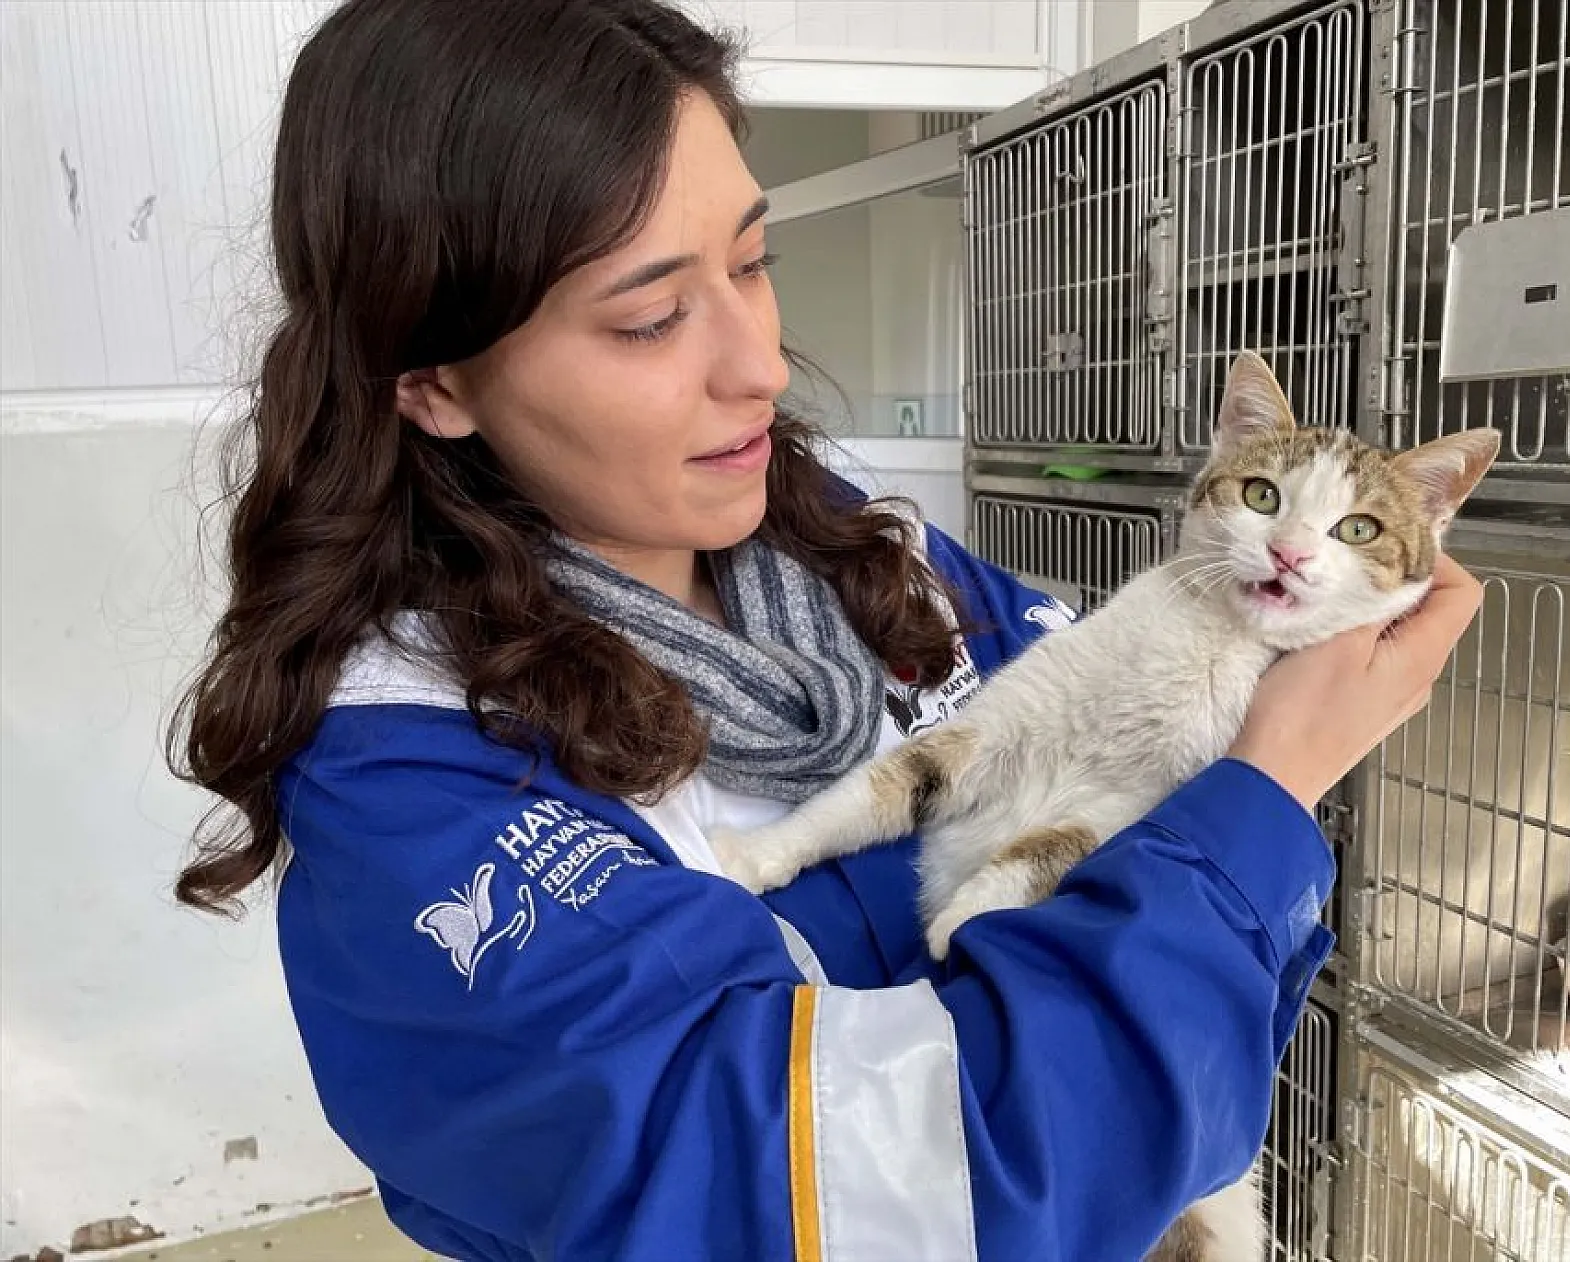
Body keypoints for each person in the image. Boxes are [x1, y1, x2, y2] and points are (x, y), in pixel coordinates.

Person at [169, 1, 1484, 1259]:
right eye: (650, 313)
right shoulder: (421, 786)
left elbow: (1109, 791)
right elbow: (856, 1195)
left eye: (752, 261)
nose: (760, 366)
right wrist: (1263, 798)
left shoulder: (862, 551)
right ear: (435, 381)